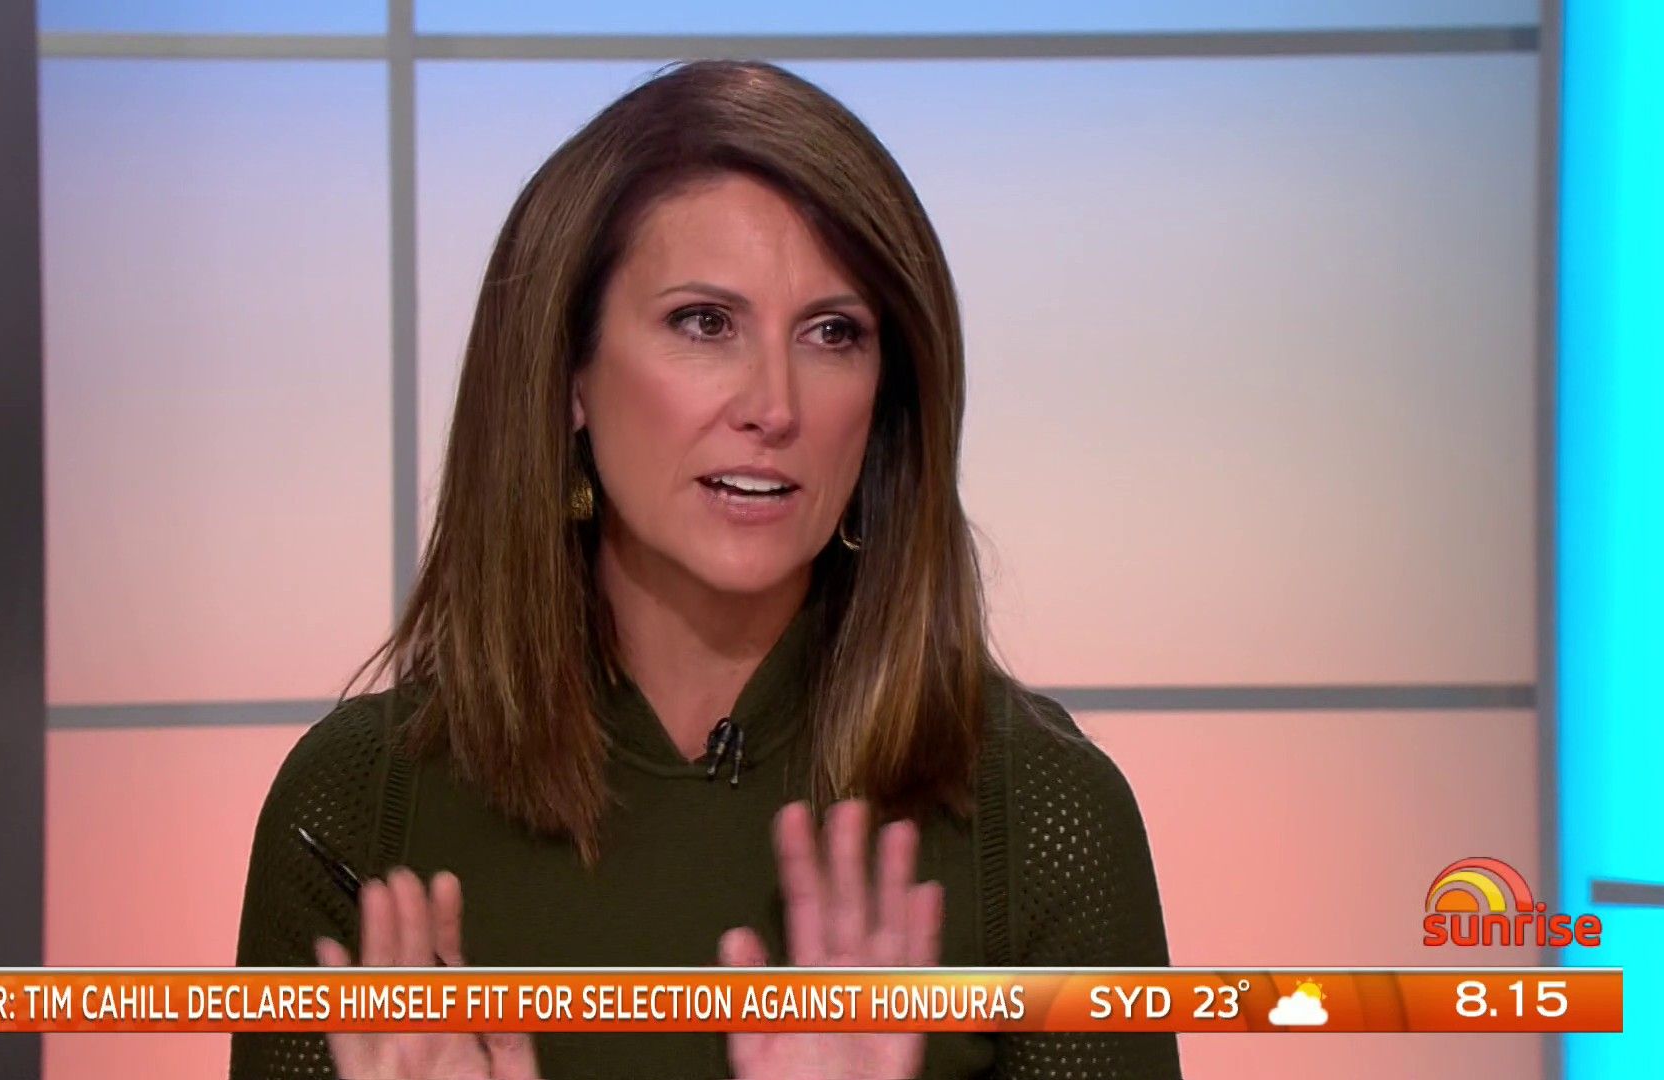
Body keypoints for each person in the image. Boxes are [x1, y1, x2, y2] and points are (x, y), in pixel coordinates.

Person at [232, 59, 1182, 1080]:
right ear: (569, 375)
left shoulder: (1039, 813)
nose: (775, 405)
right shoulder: (356, 807)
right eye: (705, 323)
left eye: (833, 333)